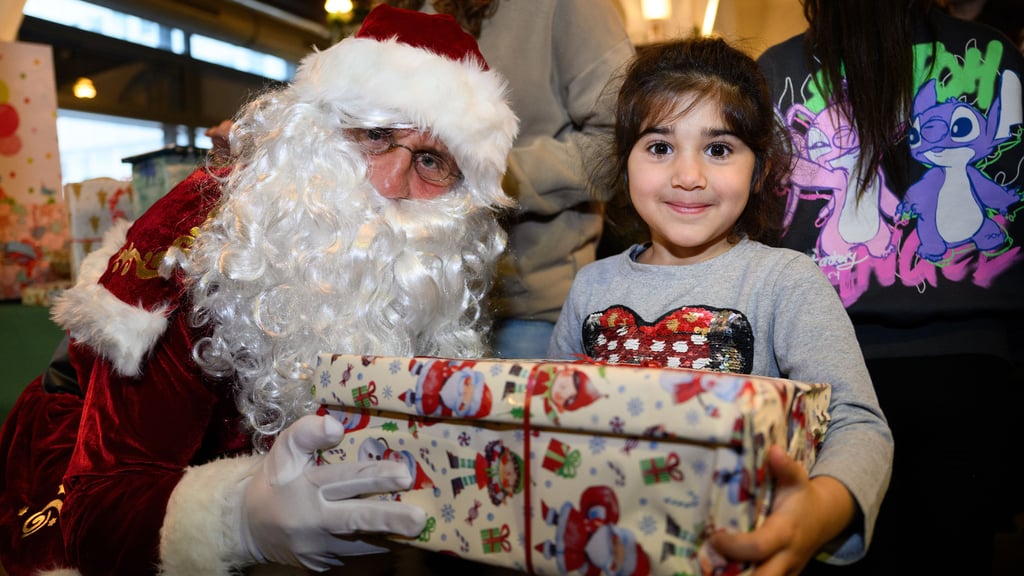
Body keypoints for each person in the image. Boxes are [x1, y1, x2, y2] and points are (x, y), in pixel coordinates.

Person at [0, 5, 519, 575]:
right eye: (374, 135)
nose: (390, 183)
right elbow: (98, 504)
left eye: (430, 160)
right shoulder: (208, 260)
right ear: (314, 131)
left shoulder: (426, 275)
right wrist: (237, 518)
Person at [547, 36, 894, 575]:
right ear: (625, 162)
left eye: (719, 149)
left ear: (758, 171)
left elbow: (857, 424)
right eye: (660, 147)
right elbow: (549, 418)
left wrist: (816, 512)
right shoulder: (590, 287)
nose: (689, 176)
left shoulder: (784, 282)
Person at [756, 1, 1024, 574]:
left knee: (830, 556)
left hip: (822, 372)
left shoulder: (776, 68)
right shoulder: (997, 53)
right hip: (971, 366)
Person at [384, 0, 635, 359]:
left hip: (525, 306)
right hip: (407, 301)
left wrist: (490, 178)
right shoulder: (403, 9)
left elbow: (618, 140)